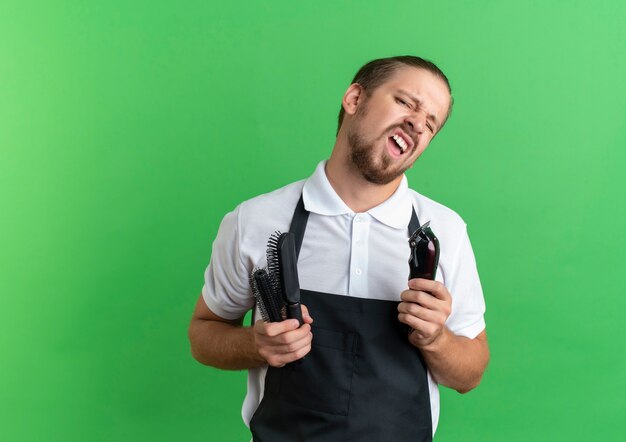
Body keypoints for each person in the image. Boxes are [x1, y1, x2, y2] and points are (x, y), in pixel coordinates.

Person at [188, 55, 489, 441]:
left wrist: (437, 339)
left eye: (430, 123)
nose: (417, 122)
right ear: (354, 98)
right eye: (406, 103)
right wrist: (255, 343)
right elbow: (204, 334)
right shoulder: (257, 220)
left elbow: (471, 372)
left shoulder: (444, 231)